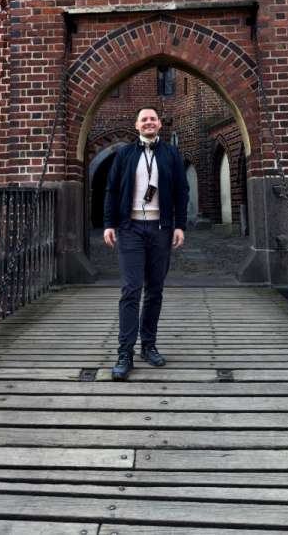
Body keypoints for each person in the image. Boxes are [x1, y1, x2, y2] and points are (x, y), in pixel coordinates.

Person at [102, 106, 189, 381]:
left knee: (155, 289)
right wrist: (109, 223)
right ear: (136, 125)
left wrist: (179, 225)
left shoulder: (171, 154)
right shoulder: (125, 154)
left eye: (153, 118)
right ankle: (124, 352)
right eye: (144, 119)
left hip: (161, 228)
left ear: (159, 124)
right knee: (131, 289)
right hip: (130, 228)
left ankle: (148, 345)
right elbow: (112, 189)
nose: (149, 122)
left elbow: (180, 190)